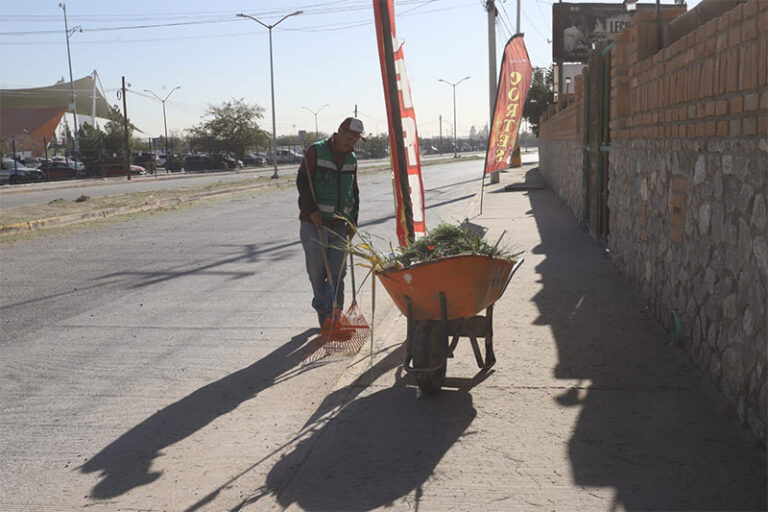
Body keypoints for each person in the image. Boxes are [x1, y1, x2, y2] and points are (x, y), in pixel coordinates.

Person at [297, 117, 365, 327]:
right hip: (314, 223)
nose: (352, 142)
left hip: (338, 224)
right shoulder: (316, 151)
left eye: (356, 140)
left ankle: (335, 316)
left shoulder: (352, 158)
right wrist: (312, 210)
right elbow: (303, 182)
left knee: (338, 272)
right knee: (317, 272)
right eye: (350, 137)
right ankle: (323, 309)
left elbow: (353, 191)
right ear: (340, 131)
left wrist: (353, 220)